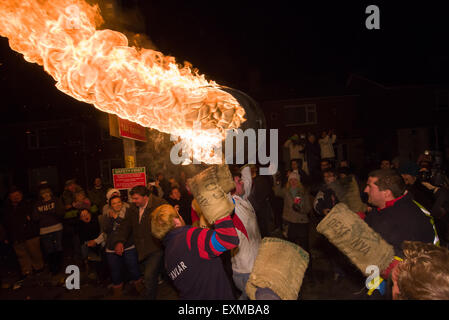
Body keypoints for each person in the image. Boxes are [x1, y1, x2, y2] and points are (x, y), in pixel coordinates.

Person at [151, 204, 240, 299]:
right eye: (178, 214)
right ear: (176, 221)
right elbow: (228, 239)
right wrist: (218, 210)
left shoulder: (167, 258)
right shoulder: (191, 237)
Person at [362, 169, 437, 258]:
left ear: (386, 193)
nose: (365, 190)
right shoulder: (384, 208)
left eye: (369, 186)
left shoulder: (403, 222)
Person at [113, 185, 167, 299]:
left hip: (155, 247)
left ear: (146, 197)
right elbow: (125, 226)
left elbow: (169, 223)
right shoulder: (133, 208)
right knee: (148, 277)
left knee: (149, 276)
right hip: (140, 249)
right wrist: (119, 241)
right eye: (133, 198)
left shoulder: (160, 204)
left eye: (136, 198)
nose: (133, 201)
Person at [229, 167, 262, 300]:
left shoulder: (243, 198)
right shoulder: (230, 204)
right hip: (245, 269)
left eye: (241, 180)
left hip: (255, 264)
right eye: (238, 181)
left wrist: (245, 160)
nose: (242, 182)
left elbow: (247, 177)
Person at [103, 195, 142, 298]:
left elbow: (129, 228)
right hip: (111, 249)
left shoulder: (129, 213)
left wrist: (117, 219)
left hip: (128, 246)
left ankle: (141, 292)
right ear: (110, 206)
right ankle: (118, 294)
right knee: (115, 273)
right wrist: (112, 220)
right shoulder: (107, 215)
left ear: (122, 202)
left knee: (134, 270)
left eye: (119, 202)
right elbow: (106, 230)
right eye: (114, 203)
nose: (117, 205)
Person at [3, 187, 44, 278]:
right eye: (13, 196)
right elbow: (6, 223)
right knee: (21, 255)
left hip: (30, 234)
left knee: (35, 252)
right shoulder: (7, 209)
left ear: (21, 195)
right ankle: (27, 271)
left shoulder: (28, 204)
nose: (16, 197)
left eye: (17, 195)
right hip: (16, 236)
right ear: (10, 197)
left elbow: (35, 217)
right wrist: (6, 236)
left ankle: (39, 268)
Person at [274, 172, 312, 252]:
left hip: (301, 222)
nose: (293, 182)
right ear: (288, 181)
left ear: (298, 181)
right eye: (291, 180)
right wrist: (277, 181)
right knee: (290, 246)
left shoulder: (304, 192)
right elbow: (277, 192)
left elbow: (308, 208)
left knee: (304, 247)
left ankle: (307, 264)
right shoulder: (285, 191)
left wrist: (300, 210)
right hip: (289, 222)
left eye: (295, 180)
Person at [32, 184, 65, 275]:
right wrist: (50, 213)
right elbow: (35, 217)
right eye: (43, 193)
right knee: (48, 249)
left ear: (50, 193)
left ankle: (59, 267)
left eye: (47, 192)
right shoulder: (37, 204)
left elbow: (61, 212)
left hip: (57, 227)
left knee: (58, 247)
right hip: (44, 230)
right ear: (40, 195)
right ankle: (52, 268)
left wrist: (46, 213)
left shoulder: (56, 200)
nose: (46, 194)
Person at [78, 208, 105, 282]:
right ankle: (93, 272)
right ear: (80, 218)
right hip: (90, 245)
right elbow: (83, 239)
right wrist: (89, 243)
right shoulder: (81, 226)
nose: (85, 216)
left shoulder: (97, 221)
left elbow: (103, 233)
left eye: (86, 214)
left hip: (101, 242)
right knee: (85, 248)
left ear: (90, 214)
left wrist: (96, 241)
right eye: (83, 216)